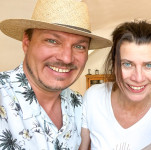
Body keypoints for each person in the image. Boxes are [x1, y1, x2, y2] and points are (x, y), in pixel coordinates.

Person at [0, 0, 111, 149]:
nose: (66, 58)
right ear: (26, 42)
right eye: (52, 41)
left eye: (79, 46)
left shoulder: (80, 105)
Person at [79, 20, 151, 150]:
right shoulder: (94, 97)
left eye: (149, 65)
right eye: (127, 64)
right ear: (114, 64)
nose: (138, 78)